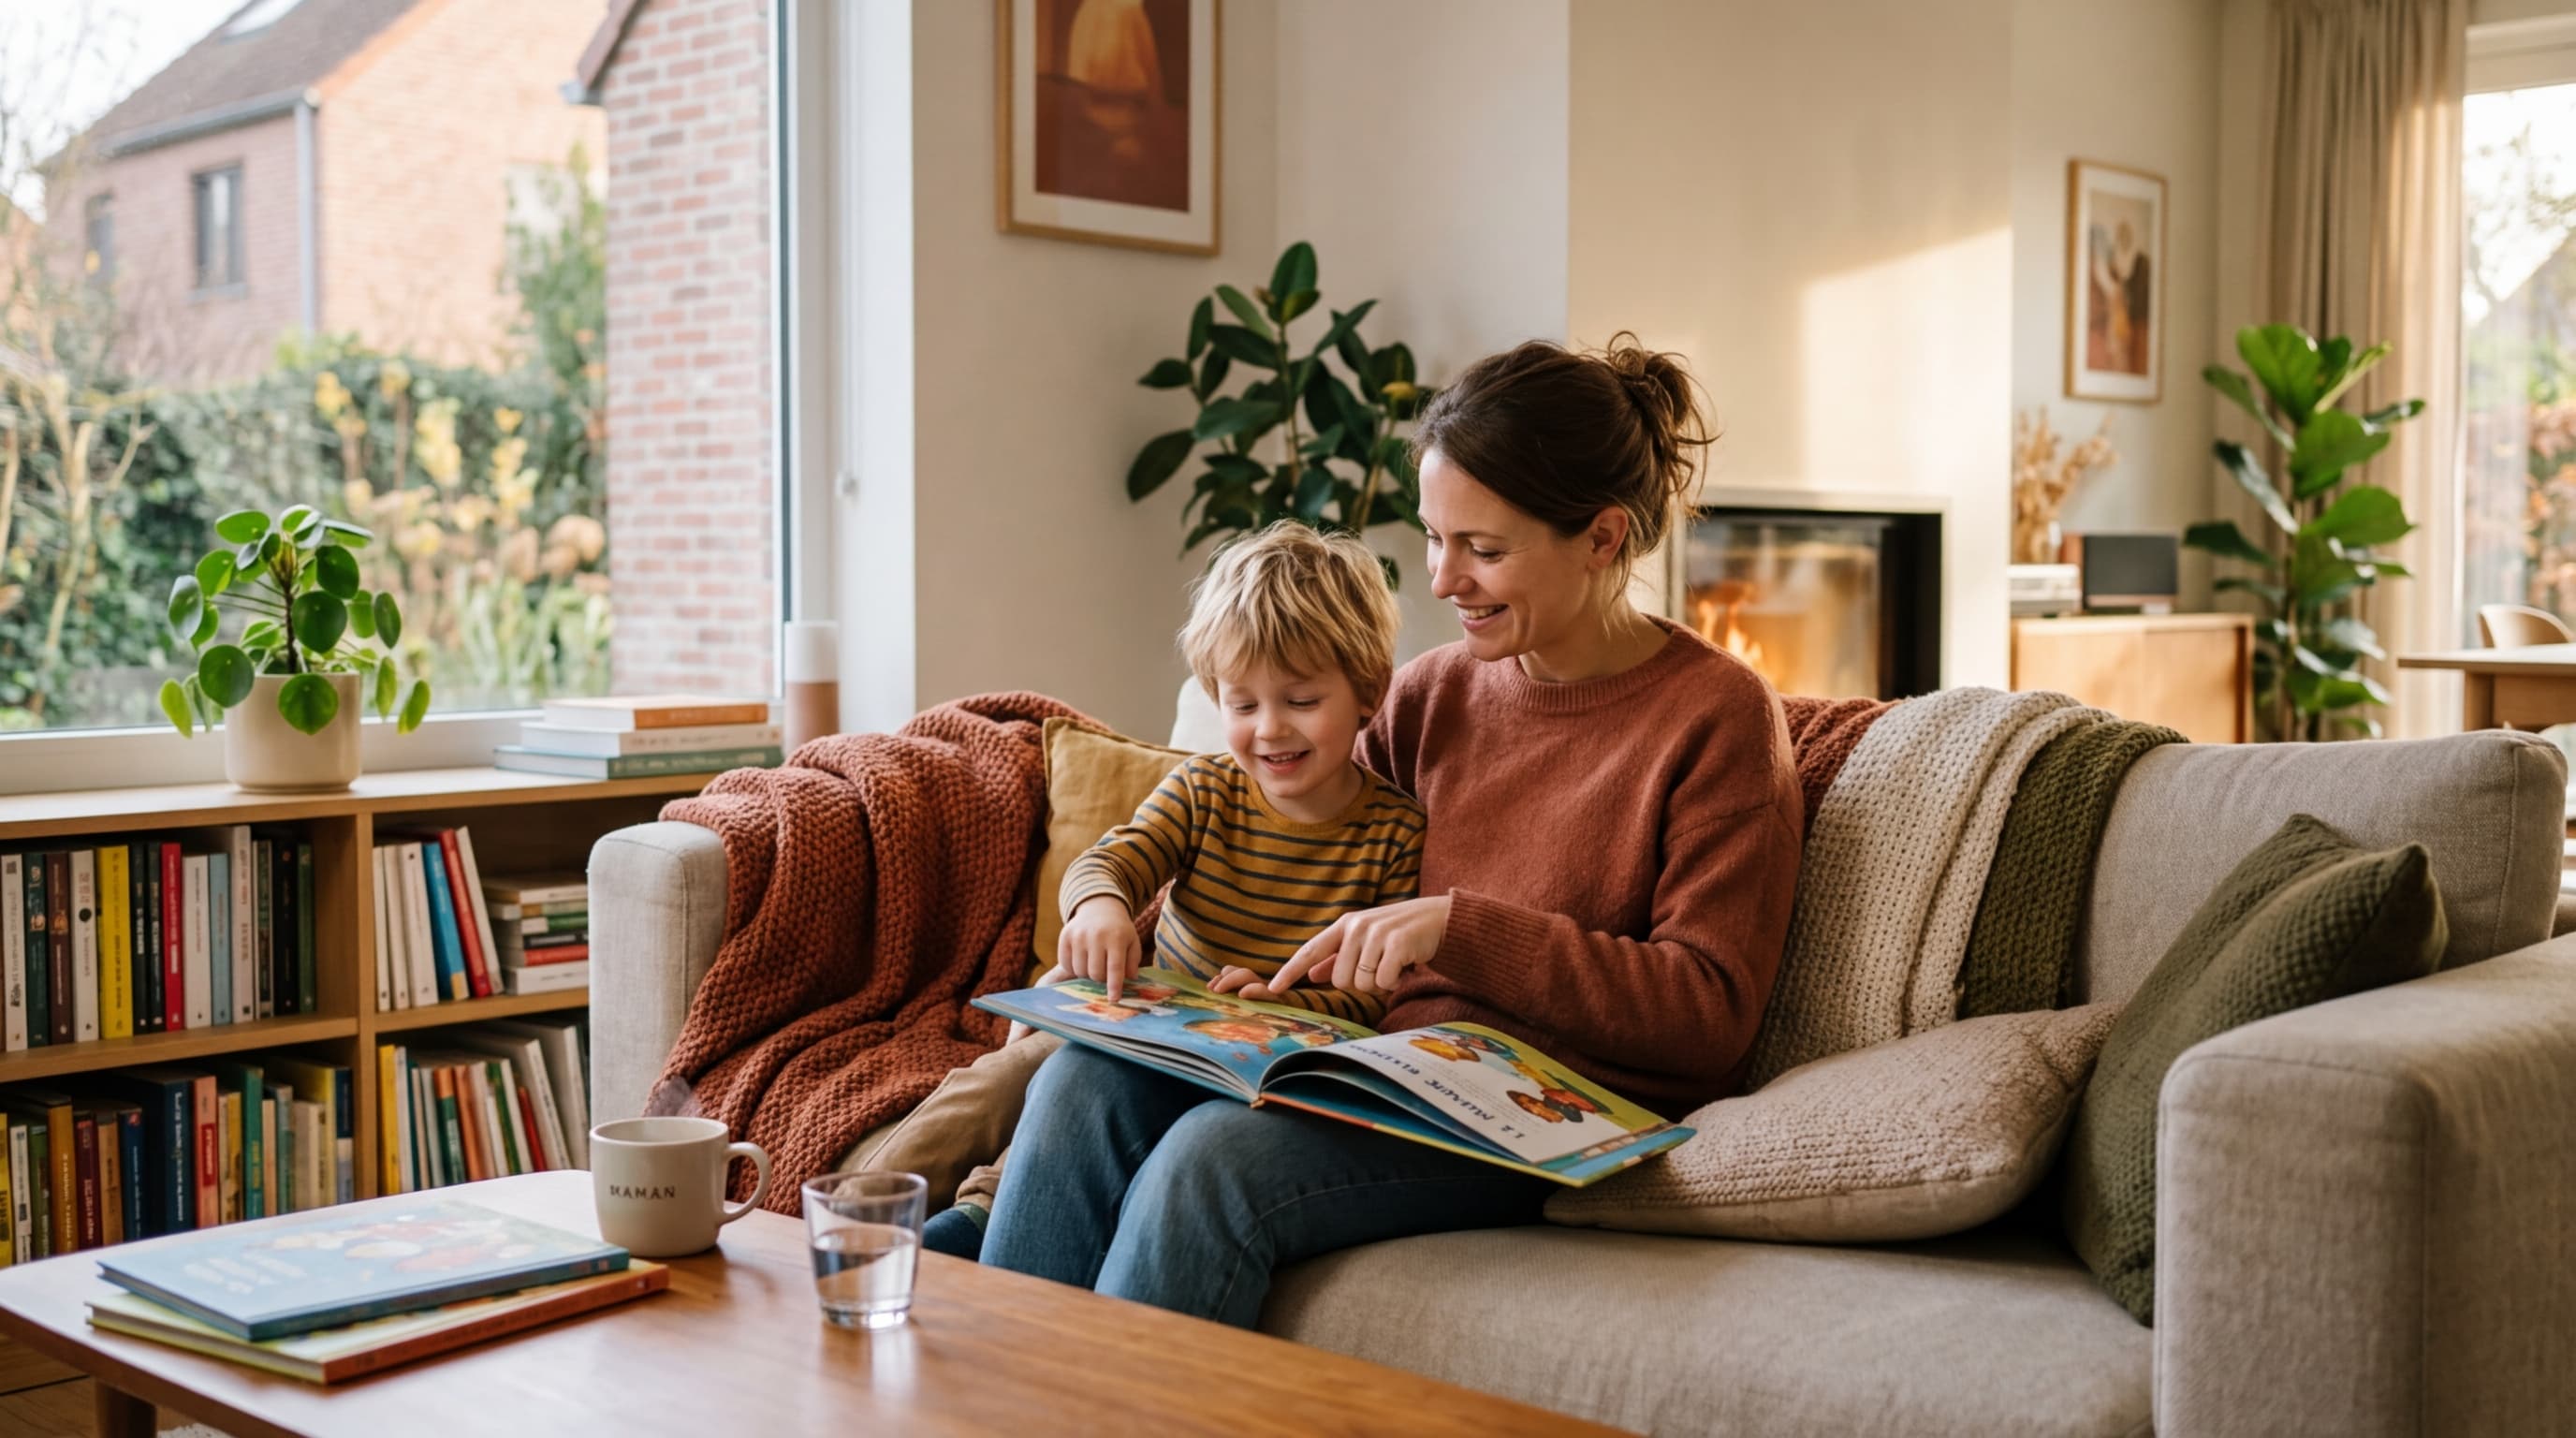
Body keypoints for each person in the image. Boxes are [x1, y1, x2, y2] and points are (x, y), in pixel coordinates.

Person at [977, 334, 1805, 1328]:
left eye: (1483, 549)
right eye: (1434, 537)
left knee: (1211, 1165)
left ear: (1601, 537)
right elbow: (1323, 871)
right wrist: (1267, 988)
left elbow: (1706, 1013)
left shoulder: (1717, 720)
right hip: (1376, 1070)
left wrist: (1460, 929)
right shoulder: (1430, 695)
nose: (1442, 579)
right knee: (1083, 1081)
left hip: (1552, 1115)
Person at [918, 521, 1425, 1256]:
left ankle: (974, 1221)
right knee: (1002, 1083)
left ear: (1369, 691)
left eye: (1301, 700)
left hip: (1263, 1064)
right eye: (1242, 705)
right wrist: (1100, 908)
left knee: (1077, 1094)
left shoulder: (1396, 832)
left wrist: (1284, 1003)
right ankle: (865, 1211)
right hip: (1146, 1028)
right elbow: (1110, 863)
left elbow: (1372, 996)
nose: (1270, 729)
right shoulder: (1205, 787)